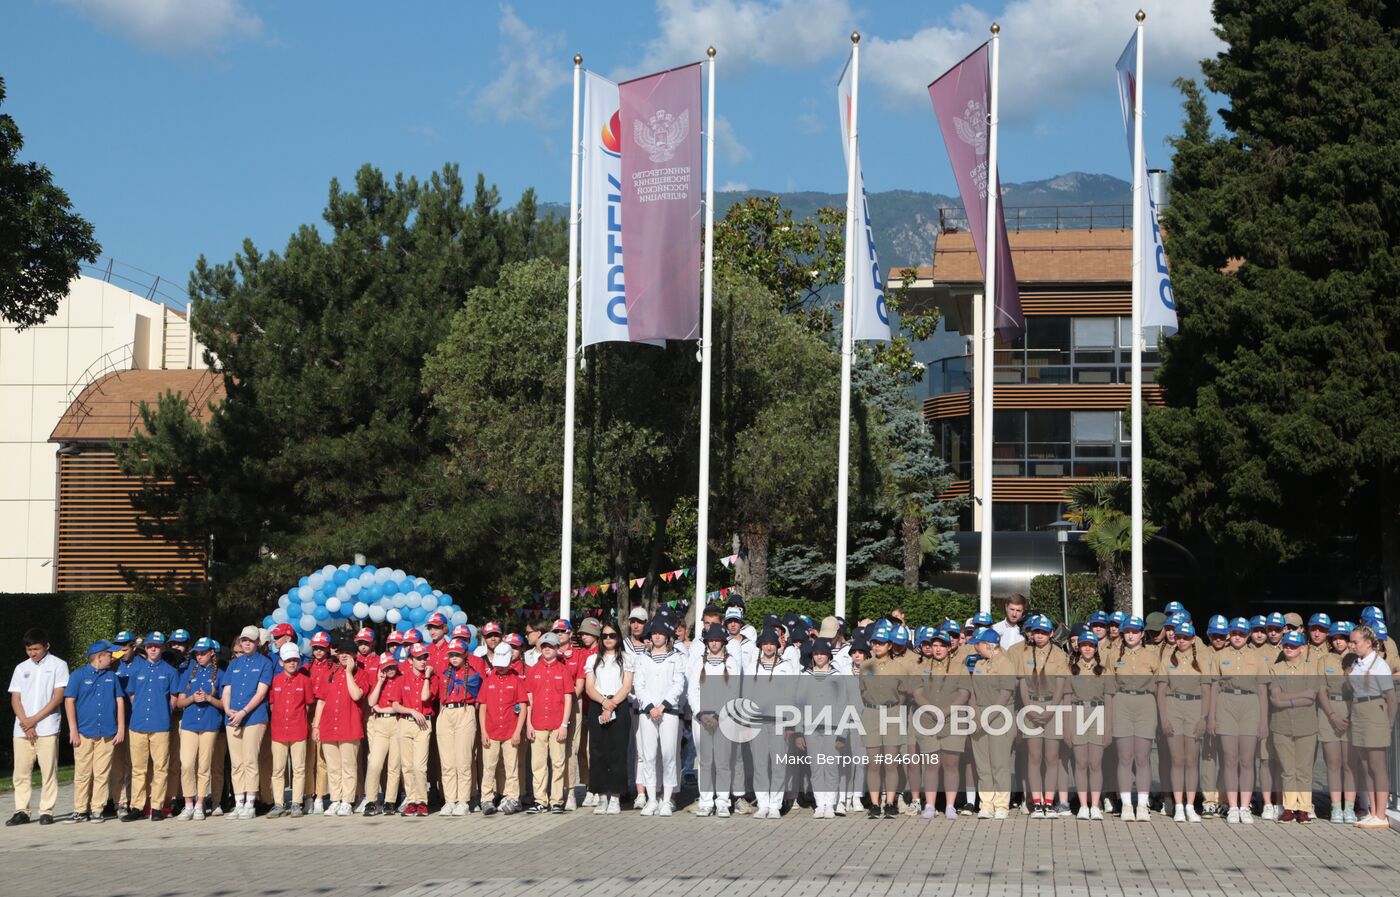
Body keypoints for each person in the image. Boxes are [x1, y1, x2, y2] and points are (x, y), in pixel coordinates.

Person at [7, 628, 69, 826]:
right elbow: (15, 698)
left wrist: (34, 720)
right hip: (22, 729)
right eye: (28, 650)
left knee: (48, 771)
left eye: (35, 649)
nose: (32, 653)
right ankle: (21, 811)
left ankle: (46, 811)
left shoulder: (59, 665)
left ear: (46, 646)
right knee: (21, 772)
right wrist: (26, 722)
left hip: (47, 727)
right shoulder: (21, 668)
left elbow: (57, 697)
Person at [1214, 617, 1269, 824]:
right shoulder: (1220, 656)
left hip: (1250, 705)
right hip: (1226, 704)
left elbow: (1263, 692)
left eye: (1242, 633)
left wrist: (1263, 721)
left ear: (1248, 635)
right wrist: (1212, 717)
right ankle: (1232, 806)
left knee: (1246, 760)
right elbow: (1213, 687)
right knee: (1229, 759)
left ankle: (1245, 806)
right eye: (1234, 633)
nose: (1238, 637)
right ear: (1229, 634)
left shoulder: (1257, 658)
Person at [1013, 615, 1068, 818]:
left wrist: (1051, 709)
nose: (1039, 636)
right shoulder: (1025, 653)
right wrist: (1029, 709)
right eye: (1036, 632)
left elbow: (1061, 684)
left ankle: (1049, 802)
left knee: (1051, 757)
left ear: (1051, 634)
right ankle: (1036, 803)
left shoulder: (1059, 654)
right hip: (1032, 705)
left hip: (1052, 706)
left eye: (1044, 632)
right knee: (1034, 757)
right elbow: (1023, 685)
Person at [64, 641, 124, 823]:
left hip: (107, 732)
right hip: (84, 731)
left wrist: (120, 727)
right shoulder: (78, 675)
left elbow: (119, 700)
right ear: (99, 657)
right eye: (109, 655)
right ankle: (80, 810)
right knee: (83, 773)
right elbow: (69, 701)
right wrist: (73, 730)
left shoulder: (112, 677)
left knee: (101, 772)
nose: (111, 658)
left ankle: (97, 809)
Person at [1159, 621, 1213, 823]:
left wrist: (1203, 718)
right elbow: (1161, 690)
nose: (1181, 640)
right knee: (1177, 760)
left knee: (1191, 761)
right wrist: (1164, 717)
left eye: (1185, 637)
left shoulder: (1201, 661)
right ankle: (1178, 805)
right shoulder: (1168, 659)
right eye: (1178, 637)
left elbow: (1207, 691)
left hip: (1194, 708)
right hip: (1173, 707)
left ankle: (1190, 805)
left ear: (1192, 639)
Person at [912, 628, 969, 820]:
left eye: (942, 646)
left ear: (949, 648)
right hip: (928, 720)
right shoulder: (922, 666)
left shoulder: (959, 667)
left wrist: (946, 711)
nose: (937, 649)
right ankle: (929, 805)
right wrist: (931, 710)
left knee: (951, 763)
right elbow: (917, 692)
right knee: (931, 763)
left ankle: (950, 806)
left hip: (952, 720)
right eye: (934, 645)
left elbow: (964, 693)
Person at [632, 619, 685, 816]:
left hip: (668, 712)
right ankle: (652, 799)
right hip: (647, 713)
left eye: (661, 633)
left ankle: (666, 799)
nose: (657, 636)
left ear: (667, 636)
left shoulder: (676, 658)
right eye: (654, 633)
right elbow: (639, 684)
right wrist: (650, 706)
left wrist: (662, 706)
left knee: (669, 755)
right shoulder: (642, 658)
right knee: (649, 755)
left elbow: (678, 684)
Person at [123, 631, 178, 821]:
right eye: (149, 646)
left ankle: (156, 807)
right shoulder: (136, 670)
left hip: (160, 725)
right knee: (138, 768)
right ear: (145, 649)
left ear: (162, 648)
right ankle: (137, 806)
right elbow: (132, 694)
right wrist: (139, 710)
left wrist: (163, 712)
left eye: (156, 646)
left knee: (160, 767)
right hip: (138, 725)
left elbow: (173, 698)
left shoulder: (170, 672)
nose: (153, 649)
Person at [311, 636, 369, 817]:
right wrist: (316, 725)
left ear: (355, 655)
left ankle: (347, 800)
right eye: (341, 653)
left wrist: (349, 673)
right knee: (333, 766)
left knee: (348, 766)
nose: (344, 656)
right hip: (328, 725)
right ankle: (335, 799)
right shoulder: (329, 672)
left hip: (349, 725)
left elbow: (356, 695)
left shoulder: (361, 673)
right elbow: (321, 701)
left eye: (348, 653)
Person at [1109, 616, 1159, 821]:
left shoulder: (1152, 655)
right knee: (1124, 757)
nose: (1131, 634)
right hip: (1122, 702)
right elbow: (1109, 686)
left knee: (1142, 757)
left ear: (1141, 634)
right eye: (1127, 631)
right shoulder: (1113, 655)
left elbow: (1159, 684)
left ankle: (1142, 804)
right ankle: (1127, 804)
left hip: (1145, 703)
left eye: (1135, 631)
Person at [222, 625, 274, 819]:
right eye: (244, 640)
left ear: (258, 643)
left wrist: (243, 712)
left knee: (250, 760)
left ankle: (251, 802)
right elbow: (226, 690)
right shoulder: (234, 664)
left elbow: (261, 693)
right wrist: (228, 709)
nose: (246, 643)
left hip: (254, 717)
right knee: (237, 763)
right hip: (233, 718)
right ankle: (239, 801)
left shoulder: (264, 663)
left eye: (250, 640)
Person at [688, 623, 739, 818]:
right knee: (705, 761)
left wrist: (718, 715)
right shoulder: (698, 662)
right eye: (711, 640)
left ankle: (723, 801)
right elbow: (692, 691)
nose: (714, 643)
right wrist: (700, 714)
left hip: (723, 718)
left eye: (718, 640)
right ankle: (706, 801)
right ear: (707, 642)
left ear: (723, 642)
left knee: (723, 761)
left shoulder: (732, 663)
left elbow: (733, 691)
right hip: (701, 719)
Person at [1347, 624, 1396, 829]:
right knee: (1365, 765)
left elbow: (1391, 699)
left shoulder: (1379, 665)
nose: (1352, 645)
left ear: (1368, 643)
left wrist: (1388, 724)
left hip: (1375, 711)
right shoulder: (1357, 664)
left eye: (1355, 642)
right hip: (1359, 712)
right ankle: (1372, 810)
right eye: (1351, 641)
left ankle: (1381, 813)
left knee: (1377, 766)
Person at [1268, 630, 1319, 823]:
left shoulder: (1311, 668)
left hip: (1306, 725)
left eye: (1293, 646)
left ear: (1302, 648)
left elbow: (1311, 697)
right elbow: (1275, 699)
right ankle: (1289, 807)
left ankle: (1304, 808)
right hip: (1281, 725)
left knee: (1304, 770)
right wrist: (1299, 697)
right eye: (1286, 645)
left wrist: (1286, 698)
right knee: (1287, 769)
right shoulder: (1276, 668)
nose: (1289, 649)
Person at [584, 622, 634, 815]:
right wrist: (604, 702)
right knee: (597, 752)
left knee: (617, 752)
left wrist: (612, 704)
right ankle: (601, 795)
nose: (608, 639)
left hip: (618, 704)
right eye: (604, 636)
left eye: (612, 635)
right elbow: (589, 687)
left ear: (618, 637)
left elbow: (627, 686)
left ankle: (615, 797)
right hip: (598, 703)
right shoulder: (592, 659)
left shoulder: (627, 659)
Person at [969, 627, 1016, 819]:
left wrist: (986, 719)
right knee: (983, 764)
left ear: (988, 645)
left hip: (999, 716)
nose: (976, 649)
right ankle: (986, 804)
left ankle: (1001, 805)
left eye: (978, 645)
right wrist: (973, 715)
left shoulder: (1006, 664)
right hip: (979, 714)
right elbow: (972, 690)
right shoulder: (979, 664)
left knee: (999, 763)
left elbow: (1005, 695)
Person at [524, 632, 573, 814]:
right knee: (538, 764)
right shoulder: (533, 670)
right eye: (544, 646)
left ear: (557, 649)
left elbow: (568, 699)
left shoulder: (563, 670)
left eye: (550, 646)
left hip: (557, 723)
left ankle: (556, 800)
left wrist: (564, 724)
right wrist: (528, 724)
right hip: (537, 724)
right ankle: (540, 800)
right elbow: (529, 700)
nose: (546, 649)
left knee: (558, 762)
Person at [175, 637, 223, 820]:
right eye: (197, 653)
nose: (199, 656)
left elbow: (224, 704)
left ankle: (199, 804)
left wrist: (210, 699)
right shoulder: (188, 673)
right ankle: (188, 803)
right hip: (189, 724)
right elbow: (180, 702)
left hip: (209, 723)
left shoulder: (220, 674)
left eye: (203, 652)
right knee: (187, 764)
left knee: (204, 766)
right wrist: (192, 699)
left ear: (211, 653)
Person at [479, 642, 528, 815]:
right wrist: (483, 732)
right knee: (489, 767)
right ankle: (485, 798)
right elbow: (483, 707)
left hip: (510, 731)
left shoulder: (516, 680)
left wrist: (517, 731)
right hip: (491, 732)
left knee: (511, 767)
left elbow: (523, 707)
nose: (500, 668)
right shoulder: (488, 679)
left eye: (503, 665)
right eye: (498, 665)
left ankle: (512, 797)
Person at [437, 636, 483, 816]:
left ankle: (463, 800)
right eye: (451, 655)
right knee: (447, 761)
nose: (454, 658)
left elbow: (480, 698)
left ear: (465, 655)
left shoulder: (472, 673)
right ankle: (449, 799)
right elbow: (441, 695)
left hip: (464, 710)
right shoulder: (444, 673)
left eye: (457, 654)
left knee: (463, 760)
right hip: (446, 713)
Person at [1067, 630, 1110, 820]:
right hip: (1077, 714)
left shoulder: (1103, 670)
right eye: (1084, 645)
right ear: (1078, 647)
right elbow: (1066, 700)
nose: (1087, 648)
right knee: (1081, 763)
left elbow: (1109, 701)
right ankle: (1083, 805)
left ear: (1095, 648)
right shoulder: (1071, 669)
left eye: (1091, 645)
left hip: (1097, 714)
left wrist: (1108, 728)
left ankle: (1095, 805)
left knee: (1095, 763)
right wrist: (1066, 727)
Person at [267, 643, 314, 818]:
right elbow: (272, 703)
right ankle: (278, 803)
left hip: (298, 729)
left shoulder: (305, 680)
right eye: (288, 661)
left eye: (295, 660)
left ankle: (296, 803)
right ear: (281, 662)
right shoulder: (276, 680)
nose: (292, 664)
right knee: (278, 769)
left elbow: (309, 705)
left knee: (299, 768)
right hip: (279, 730)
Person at [392, 643, 438, 817]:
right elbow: (396, 705)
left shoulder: (432, 678)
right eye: (419, 658)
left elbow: (425, 697)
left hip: (423, 724)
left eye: (425, 657)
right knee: (407, 765)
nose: (423, 661)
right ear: (410, 660)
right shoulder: (402, 678)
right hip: (405, 722)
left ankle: (422, 801)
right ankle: (412, 800)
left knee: (420, 766)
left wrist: (426, 677)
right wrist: (411, 710)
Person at [1318, 621, 1356, 823]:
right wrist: (1332, 716)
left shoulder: (1357, 660)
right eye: (1336, 637)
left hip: (1352, 712)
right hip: (1329, 713)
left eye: (1343, 637)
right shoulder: (1324, 660)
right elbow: (1321, 690)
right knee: (1332, 764)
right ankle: (1335, 807)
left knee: (1349, 764)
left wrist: (1350, 717)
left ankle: (1349, 807)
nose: (1339, 641)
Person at [362, 652, 403, 816]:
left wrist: (381, 708)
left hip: (397, 722)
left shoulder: (401, 680)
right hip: (380, 724)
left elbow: (399, 705)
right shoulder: (379, 680)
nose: (390, 670)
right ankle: (371, 800)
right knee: (374, 763)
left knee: (394, 765)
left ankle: (390, 801)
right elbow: (371, 702)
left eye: (393, 666)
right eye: (387, 668)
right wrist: (380, 681)